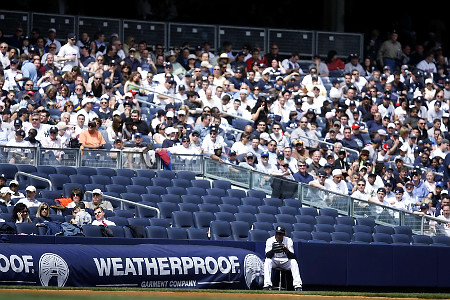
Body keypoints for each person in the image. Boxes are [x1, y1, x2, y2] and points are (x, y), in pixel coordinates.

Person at [263, 226, 303, 291]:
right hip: (274, 260)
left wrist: (286, 250)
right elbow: (268, 255)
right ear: (275, 233)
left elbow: (292, 256)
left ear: (283, 234)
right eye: (277, 233)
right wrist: (273, 250)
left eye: (280, 234)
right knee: (267, 261)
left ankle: (298, 286)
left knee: (293, 262)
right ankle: (267, 285)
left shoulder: (288, 240)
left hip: (284, 261)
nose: (278, 236)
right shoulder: (270, 240)